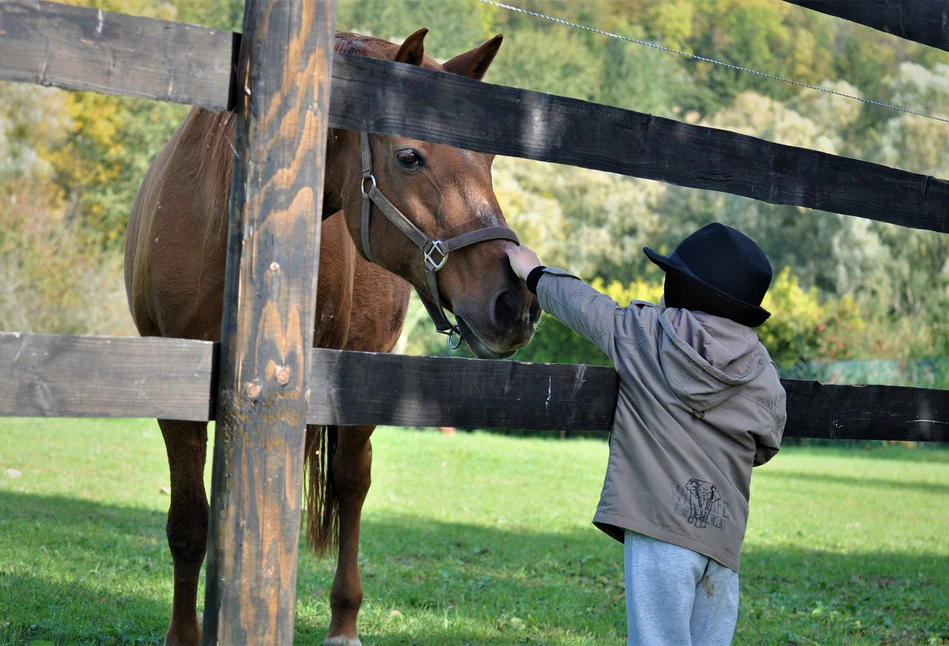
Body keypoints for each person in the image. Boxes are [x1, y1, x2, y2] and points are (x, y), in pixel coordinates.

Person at [505, 222, 787, 646]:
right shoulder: (762, 370)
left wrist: (536, 274)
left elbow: (586, 307)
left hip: (660, 535)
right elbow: (767, 443)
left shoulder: (644, 334)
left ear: (683, 290)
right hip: (722, 541)